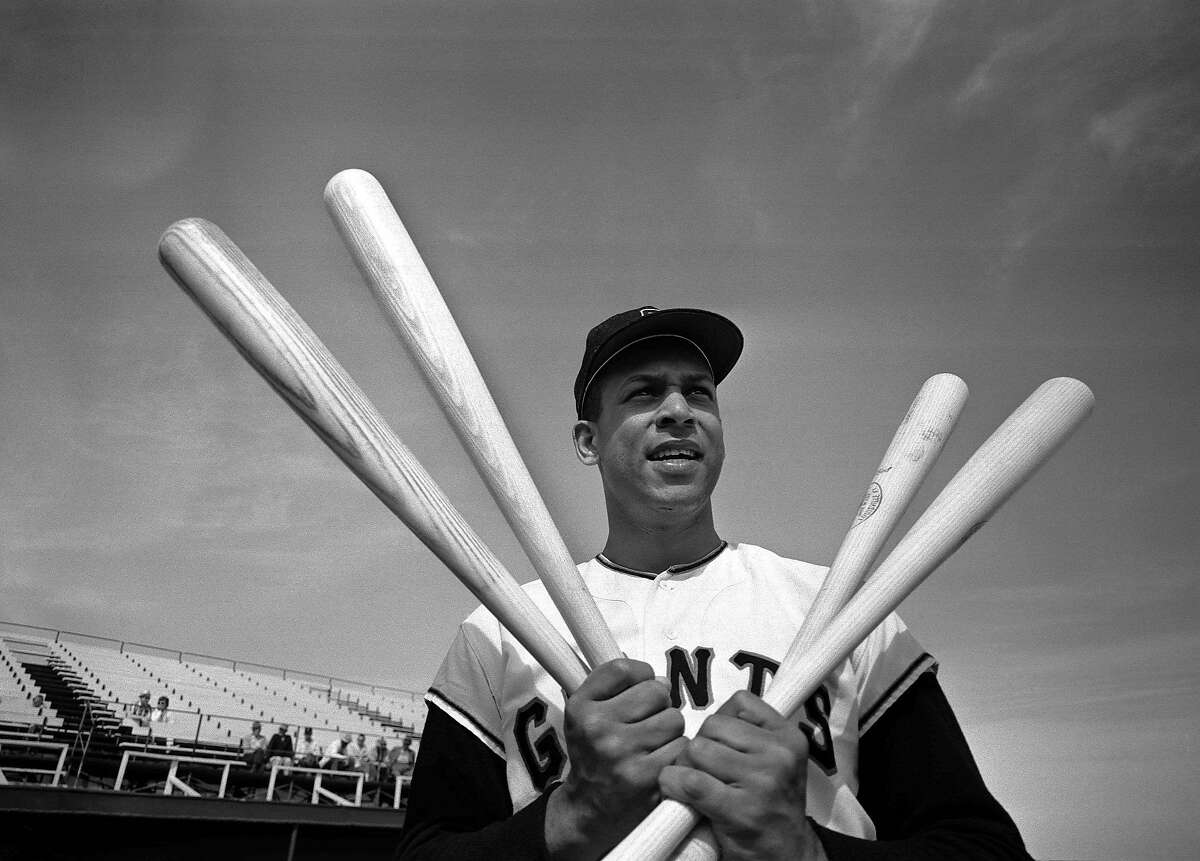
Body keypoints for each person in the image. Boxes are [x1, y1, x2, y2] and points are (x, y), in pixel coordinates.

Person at [397, 307, 1034, 860]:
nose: (679, 411)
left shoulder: (845, 611)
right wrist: (570, 820)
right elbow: (426, 851)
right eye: (644, 393)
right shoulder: (500, 631)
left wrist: (804, 850)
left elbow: (983, 848)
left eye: (699, 393)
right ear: (588, 442)